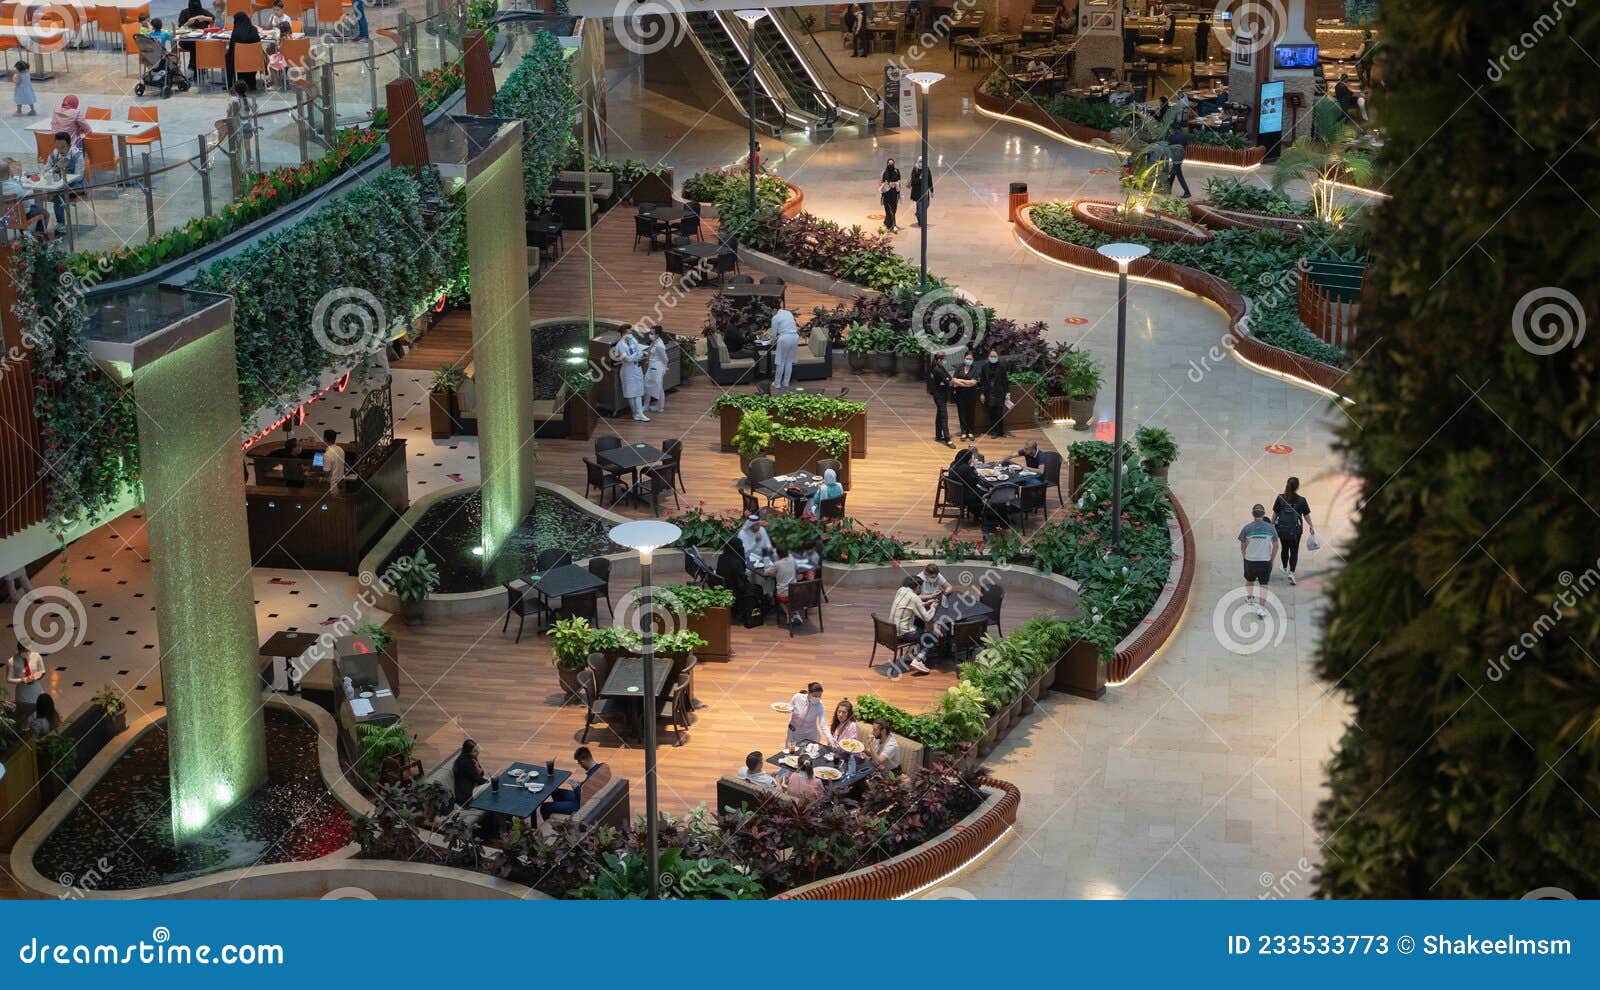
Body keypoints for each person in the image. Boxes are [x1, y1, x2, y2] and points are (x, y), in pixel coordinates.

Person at [542, 747, 612, 820]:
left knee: (545, 807)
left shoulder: (591, 780)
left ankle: (550, 825)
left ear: (582, 762)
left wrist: (576, 788)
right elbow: (589, 788)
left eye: (579, 763)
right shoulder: (603, 766)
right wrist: (581, 785)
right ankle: (560, 809)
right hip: (588, 797)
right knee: (556, 792)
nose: (580, 766)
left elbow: (581, 799)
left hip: (581, 805)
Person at [1238, 503, 1279, 618]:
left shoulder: (1247, 528)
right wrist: (1272, 559)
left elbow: (1242, 546)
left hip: (1250, 560)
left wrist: (1245, 557)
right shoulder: (1271, 528)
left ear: (1253, 514)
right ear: (1264, 514)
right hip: (1265, 560)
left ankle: (1250, 598)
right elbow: (1276, 545)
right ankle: (1261, 608)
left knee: (1249, 579)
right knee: (1264, 584)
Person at [1272, 476, 1314, 585]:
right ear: (1298, 487)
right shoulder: (1301, 500)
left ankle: (1285, 566)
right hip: (1296, 531)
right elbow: (1306, 515)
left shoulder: (1280, 498)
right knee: (1294, 550)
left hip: (1282, 529)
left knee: (1284, 548)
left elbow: (1275, 513)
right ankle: (1291, 572)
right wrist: (1311, 526)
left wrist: (1271, 525)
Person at [891, 576, 935, 673]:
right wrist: (933, 607)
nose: (922, 590)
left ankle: (909, 655)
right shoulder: (915, 598)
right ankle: (918, 661)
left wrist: (925, 604)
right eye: (921, 587)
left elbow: (908, 605)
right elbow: (928, 618)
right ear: (918, 586)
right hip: (904, 634)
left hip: (892, 630)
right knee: (930, 637)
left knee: (918, 623)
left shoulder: (901, 590)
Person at [44, 132, 84, 231]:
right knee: (53, 192)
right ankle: (42, 225)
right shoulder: (54, 155)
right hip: (58, 186)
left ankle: (61, 223)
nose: (60, 149)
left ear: (69, 146)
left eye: (63, 146)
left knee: (58, 194)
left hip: (76, 186)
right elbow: (45, 172)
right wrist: (56, 167)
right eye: (57, 146)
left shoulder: (77, 155)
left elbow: (79, 177)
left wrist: (64, 177)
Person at [611, 324, 648, 421]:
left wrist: (637, 354)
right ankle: (635, 413)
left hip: (637, 367)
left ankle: (640, 413)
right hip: (628, 370)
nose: (631, 332)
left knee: (639, 391)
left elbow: (639, 352)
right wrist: (637, 354)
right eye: (629, 331)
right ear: (624, 333)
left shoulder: (633, 340)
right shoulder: (620, 345)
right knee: (631, 393)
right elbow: (628, 359)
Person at [1, 159, 47, 235]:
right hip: (18, 218)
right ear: (9, 173)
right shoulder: (15, 187)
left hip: (3, 218)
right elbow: (26, 206)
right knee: (44, 213)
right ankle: (39, 239)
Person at [8, 638, 44, 722]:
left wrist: (36, 677)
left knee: (38, 715)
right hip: (23, 694)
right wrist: (22, 680)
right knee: (25, 716)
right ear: (20, 650)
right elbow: (9, 679)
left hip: (36, 690)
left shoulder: (36, 656)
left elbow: (42, 671)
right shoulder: (12, 661)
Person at [977, 347, 1010, 438]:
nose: (993, 357)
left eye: (995, 356)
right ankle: (994, 432)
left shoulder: (1002, 366)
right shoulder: (984, 367)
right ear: (988, 357)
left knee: (999, 413)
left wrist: (1007, 392)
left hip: (999, 393)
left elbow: (1005, 380)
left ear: (997, 357)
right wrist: (982, 393)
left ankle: (1001, 431)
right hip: (989, 393)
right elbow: (982, 381)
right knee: (991, 413)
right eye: (991, 356)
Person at [226, 12, 263, 90]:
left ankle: (229, 84)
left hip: (239, 64)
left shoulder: (235, 33)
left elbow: (231, 50)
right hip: (254, 63)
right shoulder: (254, 30)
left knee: (228, 56)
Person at [786, 681, 826, 746]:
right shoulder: (797, 697)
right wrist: (785, 711)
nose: (817, 698)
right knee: (791, 752)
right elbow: (789, 708)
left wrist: (829, 737)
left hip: (809, 735)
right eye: (815, 696)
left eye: (819, 696)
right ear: (809, 693)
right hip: (793, 731)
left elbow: (823, 724)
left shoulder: (819, 705)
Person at [762, 545, 798, 617]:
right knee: (788, 596)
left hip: (784, 594)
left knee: (779, 599)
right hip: (795, 591)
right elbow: (796, 568)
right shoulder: (793, 560)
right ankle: (794, 613)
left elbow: (765, 573)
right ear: (788, 553)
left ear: (777, 554)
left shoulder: (777, 564)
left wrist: (776, 560)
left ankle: (788, 614)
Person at [951, 351, 980, 441]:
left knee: (971, 413)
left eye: (970, 359)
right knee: (962, 413)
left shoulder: (975, 368)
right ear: (964, 359)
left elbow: (974, 382)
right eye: (967, 358)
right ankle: (963, 432)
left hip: (971, 395)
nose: (968, 360)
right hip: (960, 395)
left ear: (973, 360)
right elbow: (954, 380)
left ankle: (970, 432)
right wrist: (967, 383)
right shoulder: (959, 367)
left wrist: (961, 382)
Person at [769, 308, 800, 388]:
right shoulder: (788, 313)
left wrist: (772, 341)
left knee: (780, 362)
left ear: (774, 310)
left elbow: (773, 334)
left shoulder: (775, 318)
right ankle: (786, 383)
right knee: (789, 361)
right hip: (795, 337)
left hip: (784, 338)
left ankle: (777, 384)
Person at [451, 739, 488, 806]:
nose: (478, 752)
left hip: (473, 784)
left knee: (489, 783)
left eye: (477, 749)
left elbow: (482, 773)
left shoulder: (472, 757)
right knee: (489, 786)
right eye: (475, 751)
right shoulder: (465, 762)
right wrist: (488, 782)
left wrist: (477, 767)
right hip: (466, 796)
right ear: (468, 752)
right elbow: (479, 779)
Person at [643, 323, 669, 412]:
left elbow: (665, 359)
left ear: (657, 334)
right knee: (648, 385)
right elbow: (653, 353)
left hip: (656, 368)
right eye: (650, 333)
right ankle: (648, 405)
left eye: (652, 333)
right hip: (652, 367)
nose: (650, 335)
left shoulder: (659, 345)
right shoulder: (655, 342)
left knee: (658, 387)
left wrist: (664, 369)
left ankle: (659, 407)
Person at [930, 354, 952, 446]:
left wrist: (947, 380)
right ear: (939, 360)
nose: (944, 361)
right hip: (939, 397)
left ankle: (938, 435)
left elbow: (948, 377)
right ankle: (948, 439)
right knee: (944, 417)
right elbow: (947, 380)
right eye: (943, 360)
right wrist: (947, 380)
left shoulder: (940, 367)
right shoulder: (937, 369)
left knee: (939, 415)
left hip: (942, 395)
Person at [1166, 126, 1191, 197]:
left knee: (1179, 175)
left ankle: (1187, 192)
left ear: (1172, 129)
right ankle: (1168, 189)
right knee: (1173, 174)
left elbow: (1169, 145)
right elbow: (1186, 144)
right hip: (1180, 157)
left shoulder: (1172, 137)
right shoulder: (1182, 135)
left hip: (1175, 158)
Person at [909, 155, 932, 228]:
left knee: (926, 205)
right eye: (920, 161)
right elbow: (913, 181)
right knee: (920, 209)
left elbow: (930, 180)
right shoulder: (915, 169)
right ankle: (921, 223)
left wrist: (932, 190)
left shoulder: (927, 169)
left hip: (925, 192)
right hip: (917, 192)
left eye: (923, 161)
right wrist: (920, 178)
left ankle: (918, 214)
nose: (921, 163)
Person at [879, 157, 901, 232]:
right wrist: (887, 184)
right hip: (887, 195)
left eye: (892, 164)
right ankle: (893, 225)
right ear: (887, 164)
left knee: (894, 210)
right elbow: (880, 183)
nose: (891, 165)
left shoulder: (897, 171)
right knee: (888, 210)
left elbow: (899, 181)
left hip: (894, 194)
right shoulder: (884, 172)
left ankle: (887, 222)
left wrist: (896, 184)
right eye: (889, 164)